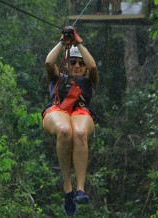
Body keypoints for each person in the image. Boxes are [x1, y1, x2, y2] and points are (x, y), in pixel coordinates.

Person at [42, 27, 98, 216]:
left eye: (80, 63)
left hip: (80, 111)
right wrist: (62, 42)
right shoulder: (58, 77)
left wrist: (79, 43)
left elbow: (92, 67)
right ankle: (68, 190)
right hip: (58, 109)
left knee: (80, 133)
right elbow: (49, 61)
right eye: (73, 61)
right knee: (65, 131)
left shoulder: (88, 80)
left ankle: (80, 189)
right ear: (67, 63)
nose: (76, 65)